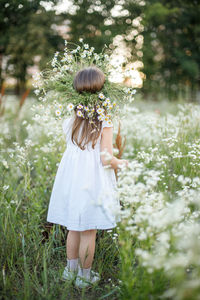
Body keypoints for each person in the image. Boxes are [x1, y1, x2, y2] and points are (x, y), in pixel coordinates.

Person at [47, 66, 128, 288]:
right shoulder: (104, 120)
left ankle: (69, 271)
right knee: (88, 230)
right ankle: (84, 276)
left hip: (72, 179)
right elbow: (105, 159)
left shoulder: (71, 118)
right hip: (92, 180)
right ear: (103, 91)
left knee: (74, 226)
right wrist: (122, 163)